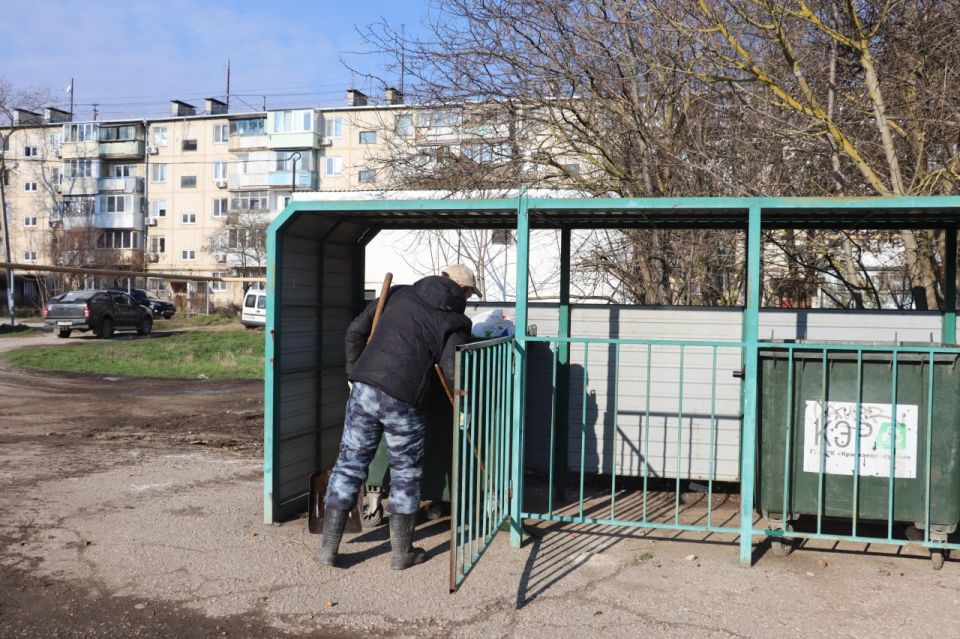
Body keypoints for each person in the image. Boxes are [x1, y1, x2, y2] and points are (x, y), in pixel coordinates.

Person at [316, 265, 480, 569]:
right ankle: (401, 554)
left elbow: (355, 331)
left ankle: (327, 549)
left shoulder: (398, 293)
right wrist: (466, 403)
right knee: (405, 472)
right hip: (403, 398)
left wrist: (354, 375)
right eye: (469, 292)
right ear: (462, 290)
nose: (468, 298)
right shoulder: (456, 321)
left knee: (349, 463)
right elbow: (454, 371)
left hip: (364, 388)